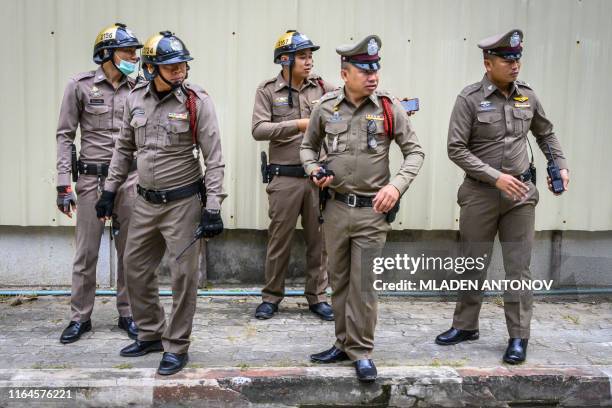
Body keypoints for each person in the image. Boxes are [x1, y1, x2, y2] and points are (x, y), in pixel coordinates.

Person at [96, 31, 226, 375]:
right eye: (172, 66)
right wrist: (109, 192)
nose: (180, 71)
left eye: (183, 64)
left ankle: (177, 345)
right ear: (151, 69)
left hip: (183, 204)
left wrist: (213, 207)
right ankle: (151, 332)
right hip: (144, 202)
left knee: (184, 276)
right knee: (134, 267)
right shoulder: (136, 98)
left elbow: (214, 159)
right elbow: (124, 149)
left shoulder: (197, 102)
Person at [437, 29, 570, 365]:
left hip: (521, 195)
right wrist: (496, 177)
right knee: (473, 263)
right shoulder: (468, 99)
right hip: (480, 194)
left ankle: (518, 336)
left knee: (518, 267)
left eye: (517, 59)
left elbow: (546, 133)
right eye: (507, 60)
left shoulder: (528, 96)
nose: (514, 66)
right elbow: (455, 149)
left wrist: (560, 164)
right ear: (488, 63)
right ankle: (466, 326)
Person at [300, 35, 424, 382]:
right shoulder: (326, 107)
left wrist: (395, 187)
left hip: (372, 212)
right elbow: (307, 148)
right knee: (338, 282)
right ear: (345, 73)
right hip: (336, 209)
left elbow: (415, 153)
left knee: (364, 285)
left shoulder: (387, 107)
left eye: (375, 69)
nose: (373, 76)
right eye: (364, 70)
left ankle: (362, 351)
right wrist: (314, 170)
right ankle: (342, 343)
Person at [56, 22, 142, 344]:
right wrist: (64, 185)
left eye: (134, 51)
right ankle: (80, 318)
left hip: (130, 180)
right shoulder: (79, 86)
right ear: (106, 54)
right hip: (92, 180)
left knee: (131, 251)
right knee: (86, 252)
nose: (134, 56)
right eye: (128, 51)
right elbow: (65, 136)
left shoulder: (140, 88)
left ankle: (129, 314)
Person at [252, 30, 336, 321]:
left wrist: (392, 106)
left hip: (317, 178)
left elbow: (352, 103)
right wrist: (299, 124)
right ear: (284, 60)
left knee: (319, 242)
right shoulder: (267, 90)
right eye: (302, 56)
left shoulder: (323, 88)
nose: (309, 61)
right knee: (279, 241)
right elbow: (259, 130)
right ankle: (271, 297)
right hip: (284, 178)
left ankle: (318, 296)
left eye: (311, 56)